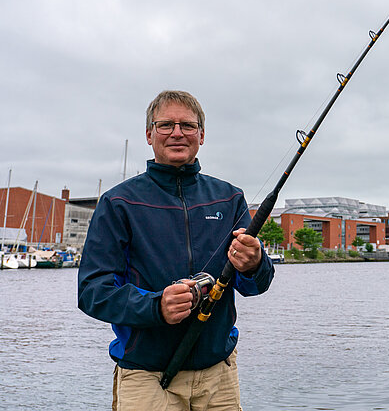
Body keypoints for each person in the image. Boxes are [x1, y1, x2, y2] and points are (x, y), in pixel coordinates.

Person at [78, 90, 274, 410]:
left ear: (202, 134)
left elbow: (255, 285)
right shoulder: (117, 203)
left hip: (219, 378)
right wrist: (157, 307)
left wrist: (255, 264)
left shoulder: (231, 198)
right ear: (149, 134)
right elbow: (92, 292)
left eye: (187, 125)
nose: (177, 133)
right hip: (147, 378)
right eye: (166, 125)